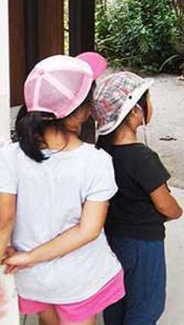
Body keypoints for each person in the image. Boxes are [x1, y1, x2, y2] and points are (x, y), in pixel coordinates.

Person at [0, 54, 125, 325]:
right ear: (80, 111)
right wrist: (29, 257)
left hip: (31, 278)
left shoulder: (9, 157)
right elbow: (88, 230)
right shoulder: (96, 162)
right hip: (77, 280)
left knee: (48, 322)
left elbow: (4, 222)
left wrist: (12, 259)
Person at [93, 72, 183, 325]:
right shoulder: (143, 158)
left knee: (116, 297)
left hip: (111, 238)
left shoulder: (100, 152)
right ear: (135, 111)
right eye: (148, 100)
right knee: (146, 305)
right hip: (145, 243)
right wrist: (177, 212)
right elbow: (165, 203)